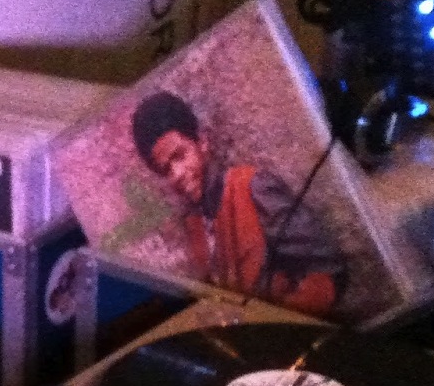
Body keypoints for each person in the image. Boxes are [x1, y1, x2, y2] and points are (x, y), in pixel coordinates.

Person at [130, 90, 345, 315]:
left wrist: (281, 321)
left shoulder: (253, 188)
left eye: (180, 156)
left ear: (202, 142)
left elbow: (328, 268)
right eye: (165, 170)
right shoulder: (194, 225)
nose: (177, 174)